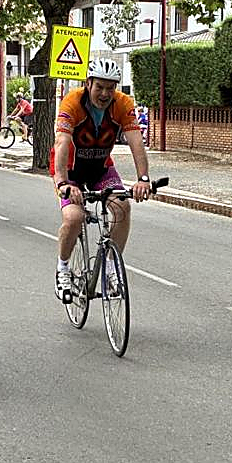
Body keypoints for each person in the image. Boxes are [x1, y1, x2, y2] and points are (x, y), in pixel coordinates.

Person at [50, 58, 153, 303]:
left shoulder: (123, 104)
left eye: (111, 87)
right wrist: (63, 182)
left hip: (100, 169)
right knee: (74, 218)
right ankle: (63, 269)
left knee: (121, 207)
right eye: (100, 87)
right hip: (71, 171)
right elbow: (62, 142)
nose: (105, 93)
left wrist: (143, 178)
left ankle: (109, 269)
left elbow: (135, 140)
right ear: (88, 84)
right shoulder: (72, 102)